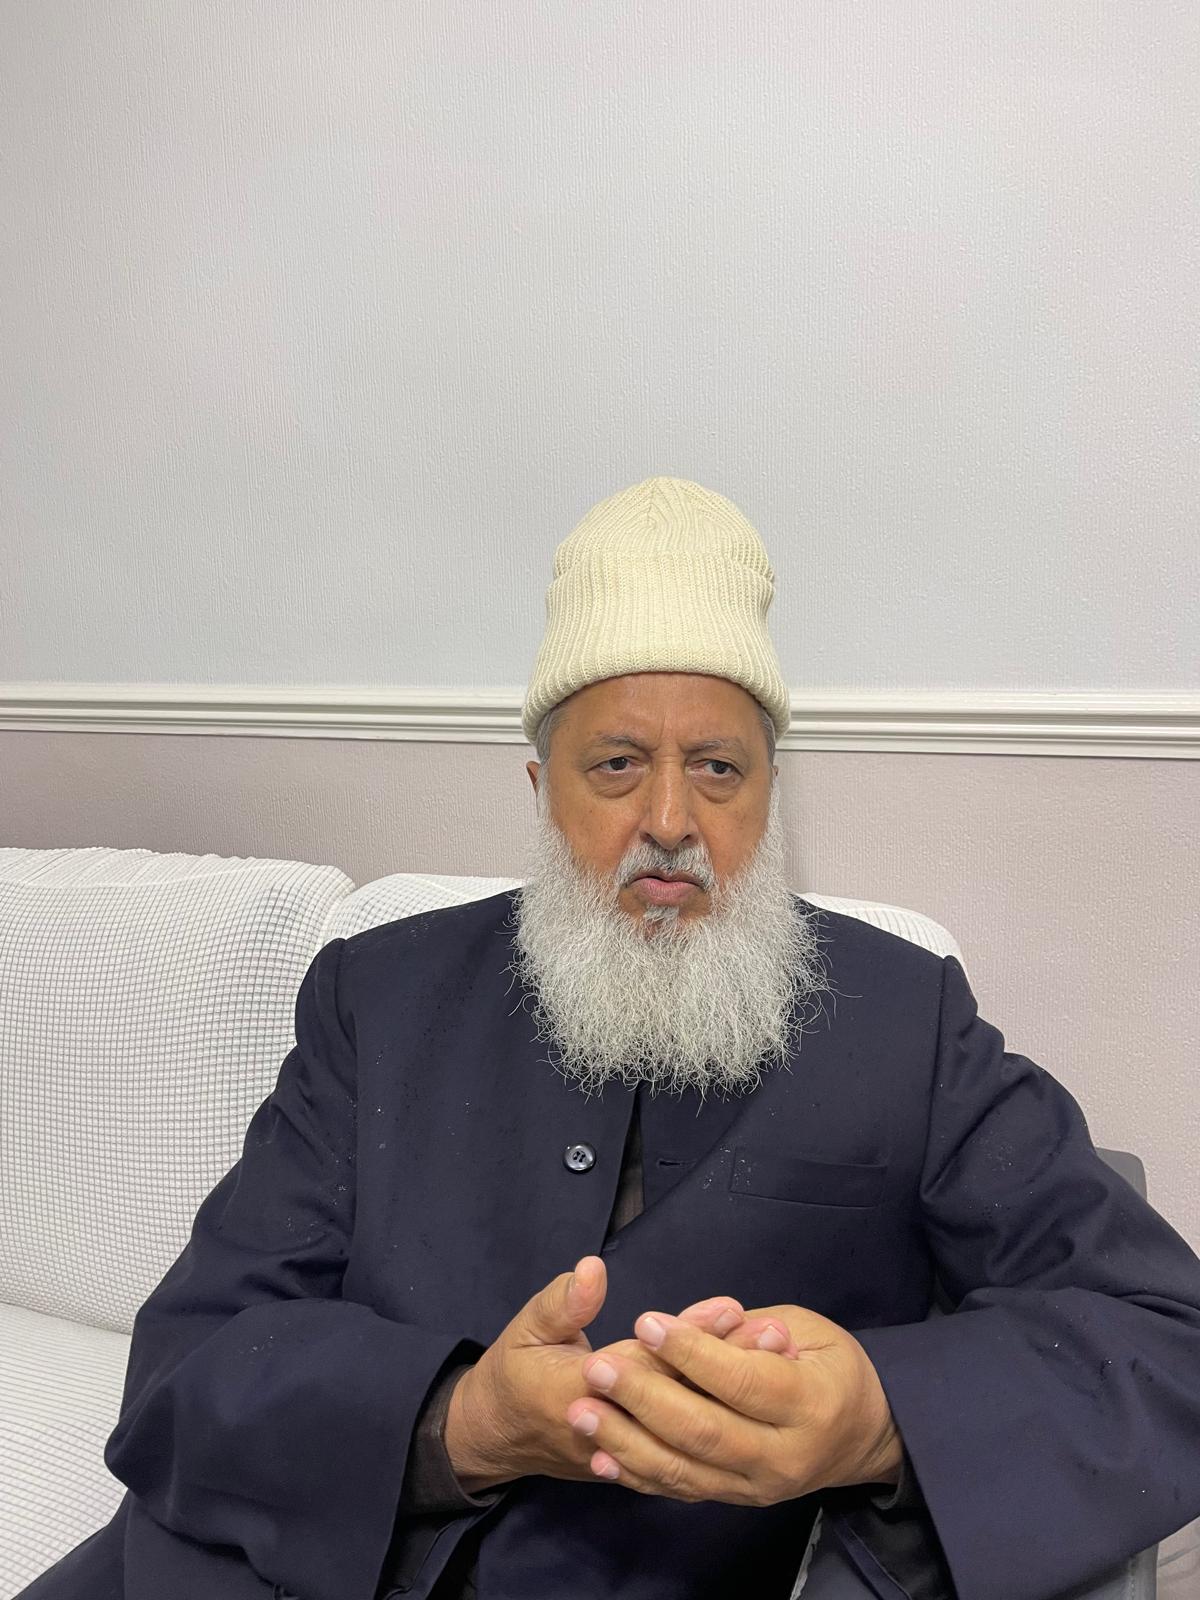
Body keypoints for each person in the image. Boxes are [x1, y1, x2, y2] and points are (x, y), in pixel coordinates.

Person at [20, 477, 1200, 1600]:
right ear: (543, 787)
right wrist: (458, 1421)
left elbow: (1162, 1337)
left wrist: (875, 1420)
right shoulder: (376, 997)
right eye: (619, 764)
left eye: (719, 768)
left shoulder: (905, 1016)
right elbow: (187, 1368)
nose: (670, 819)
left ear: (768, 794)